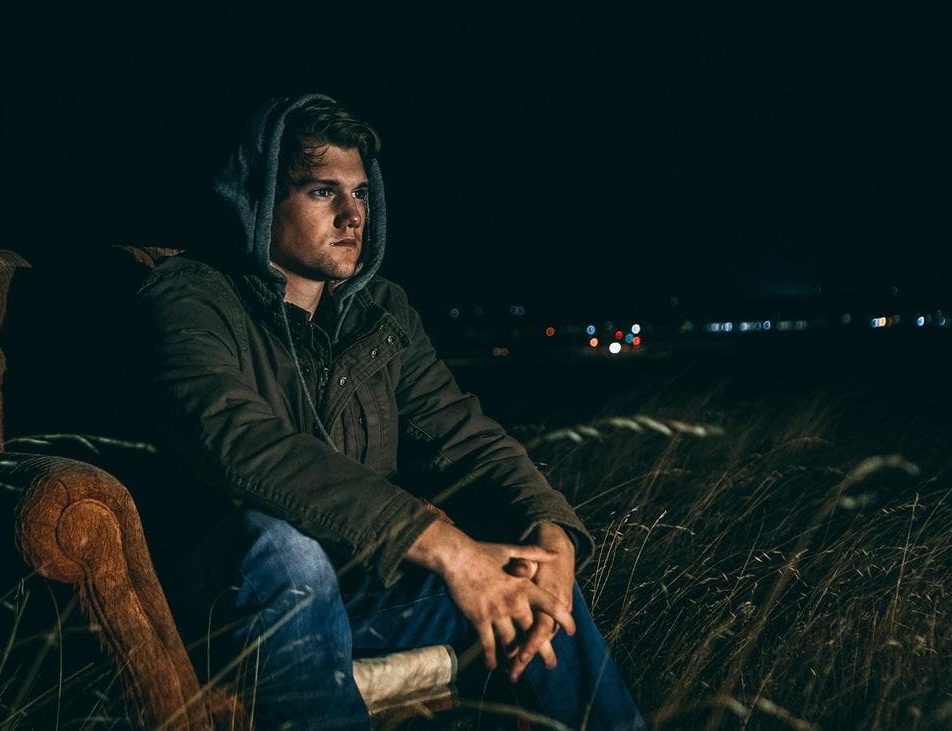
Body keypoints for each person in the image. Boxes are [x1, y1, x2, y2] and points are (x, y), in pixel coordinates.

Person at [130, 93, 643, 729]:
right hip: (226, 595)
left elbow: (467, 436)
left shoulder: (381, 313)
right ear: (260, 199)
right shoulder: (189, 298)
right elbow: (239, 441)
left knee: (532, 582)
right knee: (283, 548)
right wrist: (446, 548)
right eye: (323, 192)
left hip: (355, 588)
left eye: (362, 193)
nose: (353, 214)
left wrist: (549, 527)